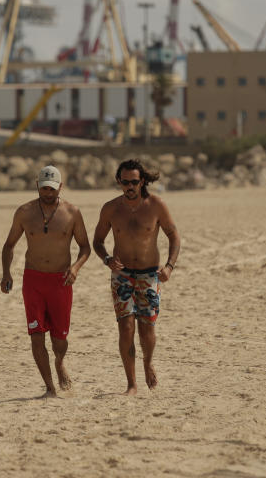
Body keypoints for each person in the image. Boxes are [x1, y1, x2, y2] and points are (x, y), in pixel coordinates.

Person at [93, 159, 181, 395]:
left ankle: (147, 362)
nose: (130, 186)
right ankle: (131, 384)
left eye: (134, 182)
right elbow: (97, 241)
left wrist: (170, 267)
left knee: (147, 328)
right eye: (125, 182)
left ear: (142, 181)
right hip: (122, 276)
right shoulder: (111, 208)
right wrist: (107, 259)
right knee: (126, 327)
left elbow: (174, 236)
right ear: (119, 182)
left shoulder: (156, 205)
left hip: (150, 275)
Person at [1, 165, 90, 397]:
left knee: (59, 339)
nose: (47, 193)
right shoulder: (24, 212)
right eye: (43, 188)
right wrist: (7, 273)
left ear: (60, 187)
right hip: (33, 281)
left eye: (52, 189)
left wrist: (76, 268)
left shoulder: (72, 213)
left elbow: (85, 247)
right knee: (36, 334)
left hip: (61, 281)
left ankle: (60, 362)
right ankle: (49, 387)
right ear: (37, 186)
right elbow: (9, 245)